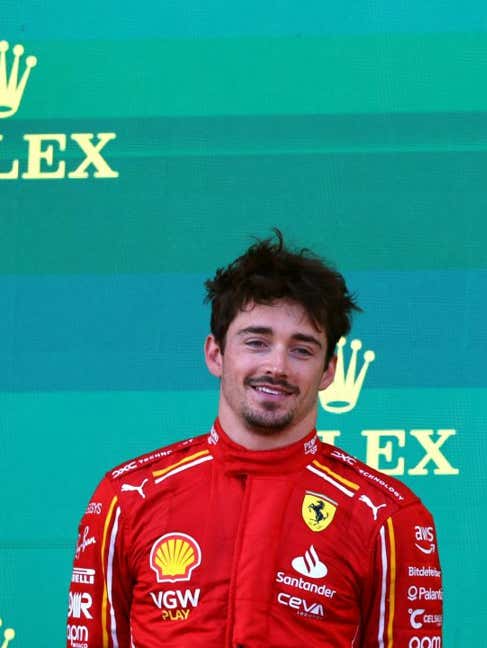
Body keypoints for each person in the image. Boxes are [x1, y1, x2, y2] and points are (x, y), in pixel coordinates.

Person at [67, 232, 442, 647]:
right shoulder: (127, 497)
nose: (277, 366)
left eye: (302, 350)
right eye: (256, 342)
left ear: (328, 371)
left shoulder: (386, 516)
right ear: (215, 354)